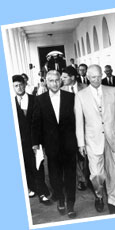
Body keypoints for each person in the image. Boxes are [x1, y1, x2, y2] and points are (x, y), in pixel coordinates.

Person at [75, 65, 115, 214]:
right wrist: (81, 143)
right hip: (92, 141)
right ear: (88, 77)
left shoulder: (112, 91)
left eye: (98, 76)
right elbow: (79, 122)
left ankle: (113, 201)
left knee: (113, 172)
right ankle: (99, 196)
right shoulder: (80, 95)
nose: (96, 80)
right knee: (97, 174)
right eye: (93, 77)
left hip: (112, 138)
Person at [31, 70, 78, 218]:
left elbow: (77, 121)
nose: (55, 83)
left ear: (61, 81)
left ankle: (70, 203)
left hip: (69, 144)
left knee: (70, 175)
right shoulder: (40, 100)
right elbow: (36, 123)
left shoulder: (71, 97)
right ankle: (60, 200)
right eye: (51, 80)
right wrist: (35, 143)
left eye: (57, 80)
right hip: (51, 145)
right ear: (46, 82)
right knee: (54, 176)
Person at [12, 75, 50, 205]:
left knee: (38, 166)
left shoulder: (35, 100)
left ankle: (42, 192)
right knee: (26, 166)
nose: (19, 87)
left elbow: (41, 122)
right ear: (13, 87)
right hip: (21, 142)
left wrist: (39, 141)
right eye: (16, 85)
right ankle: (32, 188)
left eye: (21, 84)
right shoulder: (11, 102)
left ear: (25, 84)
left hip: (35, 140)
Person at [60, 66, 88, 191]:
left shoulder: (86, 88)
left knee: (85, 155)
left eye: (65, 77)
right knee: (73, 155)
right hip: (69, 129)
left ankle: (88, 175)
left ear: (73, 77)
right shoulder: (61, 90)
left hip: (86, 127)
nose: (62, 79)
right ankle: (81, 179)